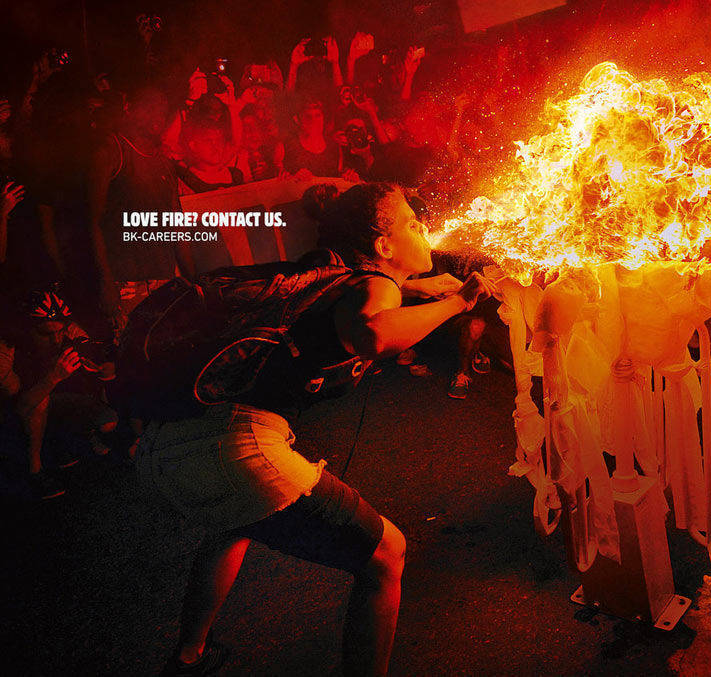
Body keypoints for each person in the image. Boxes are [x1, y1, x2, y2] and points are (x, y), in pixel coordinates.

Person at [136, 183, 491, 676]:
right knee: (386, 554)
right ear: (383, 247)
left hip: (169, 444)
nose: (426, 228)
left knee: (233, 527)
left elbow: (358, 302)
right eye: (413, 223)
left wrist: (416, 289)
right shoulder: (377, 287)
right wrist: (459, 303)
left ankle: (189, 655)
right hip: (234, 447)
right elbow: (371, 334)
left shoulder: (334, 274)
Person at [88, 84, 194, 334]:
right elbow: (92, 222)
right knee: (131, 360)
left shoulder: (163, 162)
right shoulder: (111, 153)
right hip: (125, 283)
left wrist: (192, 279)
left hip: (164, 280)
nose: (158, 114)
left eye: (163, 109)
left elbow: (176, 224)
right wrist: (106, 283)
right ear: (129, 108)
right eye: (151, 106)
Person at [1, 289, 118, 500]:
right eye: (46, 334)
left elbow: (88, 349)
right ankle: (34, 471)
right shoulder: (6, 352)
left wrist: (102, 366)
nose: (55, 339)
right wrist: (53, 377)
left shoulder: (66, 332)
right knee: (40, 401)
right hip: (11, 416)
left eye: (59, 331)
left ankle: (61, 442)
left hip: (46, 404)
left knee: (106, 419)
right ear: (27, 329)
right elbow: (17, 409)